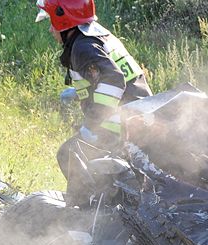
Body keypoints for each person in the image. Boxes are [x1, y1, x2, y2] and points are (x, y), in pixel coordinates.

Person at [35, 0, 152, 178]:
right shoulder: (99, 35)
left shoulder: (83, 47)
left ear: (63, 20)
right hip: (141, 117)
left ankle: (87, 197)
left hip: (123, 126)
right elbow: (108, 76)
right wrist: (81, 93)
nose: (51, 29)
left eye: (52, 22)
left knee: (69, 155)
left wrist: (92, 125)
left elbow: (113, 80)